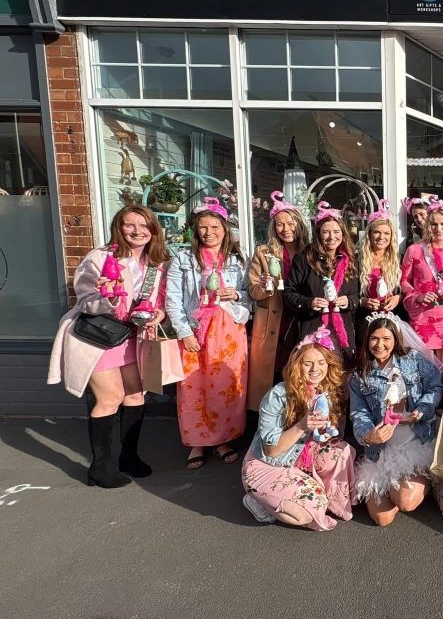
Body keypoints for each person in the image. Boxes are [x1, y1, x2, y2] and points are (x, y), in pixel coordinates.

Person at [47, 205, 171, 487]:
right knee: (110, 397)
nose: (138, 231)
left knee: (136, 396)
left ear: (153, 229)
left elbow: (162, 300)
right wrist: (108, 296)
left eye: (144, 225)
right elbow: (84, 301)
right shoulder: (100, 257)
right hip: (99, 336)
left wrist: (159, 313)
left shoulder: (158, 262)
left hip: (134, 337)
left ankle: (129, 457)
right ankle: (100, 468)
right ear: (119, 227)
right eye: (130, 225)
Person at [166, 197, 250, 469]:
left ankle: (222, 439)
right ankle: (197, 442)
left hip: (229, 330)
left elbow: (251, 295)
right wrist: (183, 332)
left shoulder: (238, 259)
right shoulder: (183, 259)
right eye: (203, 227)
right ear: (195, 230)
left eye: (215, 227)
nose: (209, 232)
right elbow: (173, 299)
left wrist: (237, 294)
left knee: (226, 385)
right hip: (196, 329)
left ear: (225, 229)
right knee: (193, 386)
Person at [241, 332, 356, 530]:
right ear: (297, 365)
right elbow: (271, 451)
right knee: (306, 513)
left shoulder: (323, 390)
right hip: (267, 465)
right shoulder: (278, 395)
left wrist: (325, 429)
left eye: (321, 362)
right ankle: (257, 501)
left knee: (341, 451)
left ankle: (325, 497)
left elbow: (321, 435)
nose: (315, 369)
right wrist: (302, 425)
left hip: (297, 458)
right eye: (308, 363)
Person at [349, 313, 443, 526]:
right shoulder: (359, 375)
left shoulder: (413, 359)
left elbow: (435, 386)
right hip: (380, 452)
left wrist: (421, 410)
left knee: (405, 502)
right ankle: (398, 486)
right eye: (374, 338)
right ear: (367, 340)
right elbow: (359, 413)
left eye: (386, 339)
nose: (379, 344)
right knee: (382, 518)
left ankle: (424, 481)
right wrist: (368, 435)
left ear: (395, 339)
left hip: (414, 444)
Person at [246, 191, 310, 425]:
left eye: (290, 223)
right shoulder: (263, 253)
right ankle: (270, 423)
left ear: (299, 225)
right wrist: (264, 287)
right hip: (274, 321)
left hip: (301, 318)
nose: (286, 229)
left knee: (299, 369)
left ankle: (298, 419)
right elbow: (252, 291)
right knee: (273, 372)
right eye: (280, 224)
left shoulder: (310, 252)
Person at [282, 201, 359, 355]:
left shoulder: (351, 261)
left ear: (343, 233)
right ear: (318, 234)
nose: (332, 237)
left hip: (342, 330)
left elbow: (358, 294)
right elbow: (288, 294)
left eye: (336, 232)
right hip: (313, 328)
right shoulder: (305, 259)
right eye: (326, 232)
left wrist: (350, 301)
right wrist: (309, 303)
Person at [400, 197, 443, 360]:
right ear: (427, 226)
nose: (439, 229)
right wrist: (418, 296)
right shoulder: (414, 250)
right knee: (425, 366)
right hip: (423, 316)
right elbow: (404, 281)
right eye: (433, 224)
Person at [356, 200, 403, 341]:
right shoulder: (357, 260)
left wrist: (398, 298)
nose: (382, 237)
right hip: (366, 320)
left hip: (393, 319)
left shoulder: (399, 259)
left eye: (386, 233)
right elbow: (349, 291)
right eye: (377, 232)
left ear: (391, 236)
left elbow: (410, 288)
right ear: (369, 234)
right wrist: (363, 301)